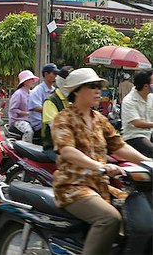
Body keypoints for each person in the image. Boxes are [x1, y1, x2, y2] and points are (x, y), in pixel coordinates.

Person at [52, 68, 151, 255]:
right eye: (93, 86)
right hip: (72, 186)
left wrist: (147, 161)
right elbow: (67, 151)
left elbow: (118, 146)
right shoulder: (63, 118)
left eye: (99, 86)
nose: (98, 90)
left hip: (100, 185)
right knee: (109, 218)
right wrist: (100, 166)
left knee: (135, 215)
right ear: (77, 91)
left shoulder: (99, 119)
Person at [121, 69, 153, 158]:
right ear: (146, 86)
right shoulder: (129, 101)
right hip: (133, 137)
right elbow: (137, 123)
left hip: (148, 134)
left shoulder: (150, 97)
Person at [41, 66, 73, 154]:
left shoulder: (71, 100)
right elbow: (56, 128)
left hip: (71, 146)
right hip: (53, 148)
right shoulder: (51, 101)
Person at [8, 70, 39, 143]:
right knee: (29, 131)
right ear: (25, 82)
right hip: (18, 120)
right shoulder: (18, 94)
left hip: (30, 119)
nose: (33, 81)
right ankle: (25, 148)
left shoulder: (31, 93)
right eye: (31, 79)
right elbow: (13, 109)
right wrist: (26, 113)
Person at [29, 63, 59, 137]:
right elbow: (36, 107)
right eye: (54, 73)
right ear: (46, 74)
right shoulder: (37, 91)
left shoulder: (55, 90)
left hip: (52, 122)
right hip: (40, 124)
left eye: (56, 74)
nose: (56, 76)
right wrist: (53, 111)